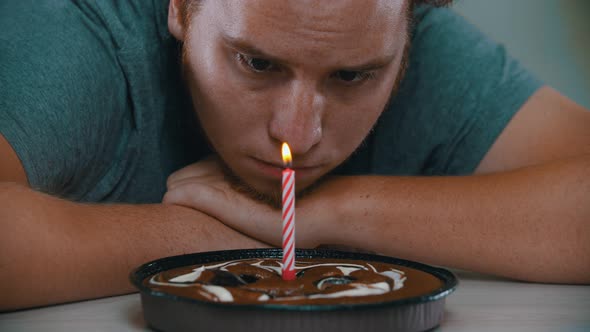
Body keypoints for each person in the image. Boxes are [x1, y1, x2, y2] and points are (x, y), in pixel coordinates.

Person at [0, 0, 588, 311]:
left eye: (353, 76)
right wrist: (214, 236)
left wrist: (338, 215)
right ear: (180, 7)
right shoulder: (77, 38)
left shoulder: (394, 30)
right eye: (257, 63)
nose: (298, 134)